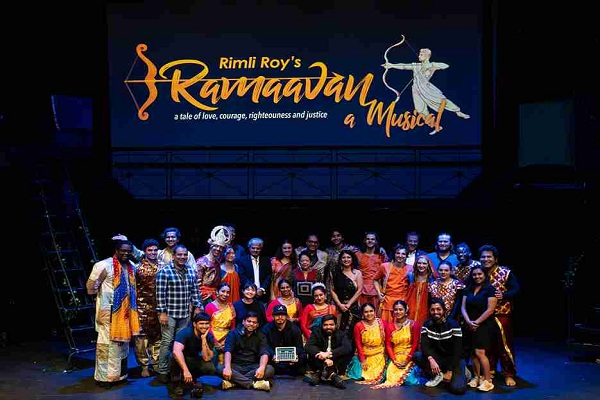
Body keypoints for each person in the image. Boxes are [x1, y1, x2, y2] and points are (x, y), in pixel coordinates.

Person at [86, 239, 140, 388]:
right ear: (116, 250)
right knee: (107, 346)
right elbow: (91, 287)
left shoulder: (132, 266)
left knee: (122, 347)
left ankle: (119, 376)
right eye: (123, 250)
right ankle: (104, 379)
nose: (126, 253)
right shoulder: (104, 265)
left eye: (128, 251)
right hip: (108, 313)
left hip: (125, 314)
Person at [155, 243, 204, 384]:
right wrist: (162, 312)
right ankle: (163, 371)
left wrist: (197, 306)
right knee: (167, 342)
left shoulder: (190, 271)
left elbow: (195, 291)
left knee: (181, 343)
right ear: (174, 256)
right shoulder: (165, 272)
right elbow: (160, 294)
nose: (182, 257)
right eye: (179, 254)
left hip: (184, 314)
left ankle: (178, 370)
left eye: (184, 255)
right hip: (169, 313)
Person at [381, 48, 470, 123]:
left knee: (441, 100)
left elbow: (446, 65)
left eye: (421, 55)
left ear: (427, 56)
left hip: (427, 88)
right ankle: (433, 124)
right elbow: (403, 66)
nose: (419, 56)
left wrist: (432, 66)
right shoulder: (416, 66)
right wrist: (391, 65)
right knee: (419, 109)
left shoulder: (432, 65)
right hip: (416, 89)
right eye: (419, 54)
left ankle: (458, 111)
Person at [479, 244, 520, 387]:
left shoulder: (505, 272)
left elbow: (516, 289)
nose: (486, 259)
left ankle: (508, 373)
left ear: (495, 259)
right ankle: (489, 370)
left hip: (501, 313)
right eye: (483, 257)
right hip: (484, 315)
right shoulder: (479, 273)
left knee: (504, 345)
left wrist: (504, 295)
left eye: (489, 256)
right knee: (487, 344)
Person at [413, 297, 466, 395]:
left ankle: (464, 372)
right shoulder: (426, 325)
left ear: (444, 310)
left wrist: (450, 371)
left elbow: (457, 350)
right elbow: (424, 346)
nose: (435, 312)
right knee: (417, 356)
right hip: (438, 358)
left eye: (438, 309)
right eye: (432, 310)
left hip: (453, 359)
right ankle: (438, 375)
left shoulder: (453, 325)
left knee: (458, 389)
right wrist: (431, 359)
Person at [461, 266, 497, 392]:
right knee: (473, 353)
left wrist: (476, 322)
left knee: (480, 352)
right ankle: (477, 377)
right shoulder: (468, 289)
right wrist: (468, 321)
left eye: (480, 274)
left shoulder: (490, 289)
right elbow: (463, 307)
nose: (477, 276)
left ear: (484, 275)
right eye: (474, 274)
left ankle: (487, 380)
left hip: (484, 325)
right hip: (469, 324)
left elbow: (490, 310)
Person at [218, 311, 274, 391]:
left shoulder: (261, 336)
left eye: (254, 322)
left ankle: (234, 383)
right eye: (249, 321)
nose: (251, 324)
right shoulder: (233, 333)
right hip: (236, 366)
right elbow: (228, 351)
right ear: (243, 321)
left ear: (257, 325)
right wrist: (227, 367)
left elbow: (264, 353)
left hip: (252, 367)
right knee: (220, 367)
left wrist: (261, 368)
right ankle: (253, 384)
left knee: (269, 369)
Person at [371, 300, 420, 389]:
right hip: (396, 356)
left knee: (410, 380)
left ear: (406, 311)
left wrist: (407, 360)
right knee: (390, 376)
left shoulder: (413, 324)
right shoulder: (390, 326)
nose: (398, 312)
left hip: (410, 355)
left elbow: (415, 344)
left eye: (400, 309)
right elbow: (388, 345)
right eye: (396, 310)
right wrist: (394, 360)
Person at [170, 312, 219, 397]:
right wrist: (186, 371)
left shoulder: (208, 336)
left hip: (193, 359)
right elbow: (176, 351)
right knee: (174, 356)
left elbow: (207, 358)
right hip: (181, 359)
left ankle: (193, 378)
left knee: (210, 367)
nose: (204, 326)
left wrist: (204, 340)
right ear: (194, 324)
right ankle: (177, 383)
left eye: (207, 323)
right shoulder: (185, 332)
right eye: (201, 323)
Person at [134, 238, 163, 377]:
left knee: (158, 336)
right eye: (150, 250)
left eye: (155, 250)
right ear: (144, 251)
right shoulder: (137, 268)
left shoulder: (164, 266)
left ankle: (157, 364)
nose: (153, 252)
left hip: (159, 307)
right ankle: (144, 365)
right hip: (142, 307)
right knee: (141, 338)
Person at [304, 314, 352, 389]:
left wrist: (330, 354)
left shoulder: (341, 334)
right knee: (312, 353)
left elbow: (347, 347)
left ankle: (320, 373)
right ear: (322, 325)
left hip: (334, 362)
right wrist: (320, 355)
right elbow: (308, 346)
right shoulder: (316, 333)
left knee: (345, 353)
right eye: (325, 325)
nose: (328, 327)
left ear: (336, 325)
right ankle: (332, 374)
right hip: (319, 360)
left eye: (331, 324)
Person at [261, 304, 306, 376]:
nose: (280, 317)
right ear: (273, 316)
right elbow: (265, 346)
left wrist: (296, 356)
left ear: (286, 316)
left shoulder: (295, 329)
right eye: (277, 315)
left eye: (282, 315)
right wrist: (272, 355)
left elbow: (299, 347)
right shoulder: (266, 329)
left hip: (290, 359)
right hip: (274, 359)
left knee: (301, 365)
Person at [348, 303, 387, 384]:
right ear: (362, 314)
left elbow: (388, 340)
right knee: (359, 375)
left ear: (375, 311)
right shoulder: (358, 326)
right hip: (365, 355)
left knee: (379, 375)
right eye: (366, 312)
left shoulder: (382, 323)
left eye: (371, 311)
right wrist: (362, 360)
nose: (369, 314)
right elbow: (358, 344)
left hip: (380, 354)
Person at [197, 225, 231, 306]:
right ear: (211, 246)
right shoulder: (201, 262)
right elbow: (197, 283)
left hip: (215, 295)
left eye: (221, 247)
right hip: (203, 297)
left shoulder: (217, 263)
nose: (218, 249)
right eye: (216, 246)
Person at [205, 282, 236, 364]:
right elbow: (207, 326)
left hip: (227, 338)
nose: (225, 294)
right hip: (212, 337)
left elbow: (233, 326)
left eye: (228, 292)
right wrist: (215, 342)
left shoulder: (230, 306)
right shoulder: (209, 307)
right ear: (217, 292)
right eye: (223, 291)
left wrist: (229, 340)